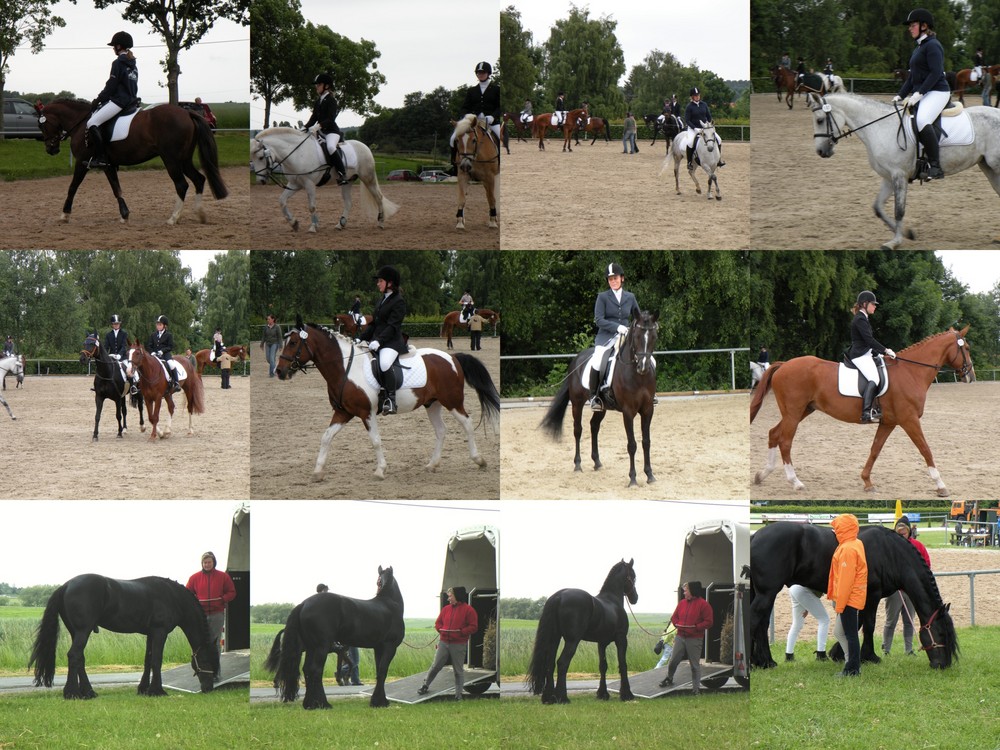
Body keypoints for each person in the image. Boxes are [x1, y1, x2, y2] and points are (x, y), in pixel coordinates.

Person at [894, 9, 949, 181]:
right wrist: (900, 95)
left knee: (922, 120)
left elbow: (935, 73)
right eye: (910, 26)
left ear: (924, 26)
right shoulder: (919, 47)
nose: (910, 28)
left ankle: (935, 166)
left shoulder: (933, 45)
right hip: (926, 92)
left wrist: (919, 94)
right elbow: (912, 78)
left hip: (938, 91)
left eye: (913, 25)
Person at [587, 263, 640, 411]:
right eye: (610, 279)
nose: (613, 281)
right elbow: (599, 320)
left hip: (626, 336)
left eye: (615, 278)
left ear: (622, 278)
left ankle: (649, 392)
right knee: (597, 360)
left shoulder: (630, 297)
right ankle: (594, 397)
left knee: (648, 358)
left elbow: (638, 316)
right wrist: (617, 327)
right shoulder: (602, 297)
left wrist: (635, 328)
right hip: (606, 337)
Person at [86, 31, 139, 169]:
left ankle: (102, 158)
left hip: (120, 101)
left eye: (114, 45)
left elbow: (111, 85)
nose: (113, 48)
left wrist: (98, 99)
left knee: (92, 122)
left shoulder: (118, 63)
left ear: (119, 46)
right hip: (131, 101)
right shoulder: (133, 63)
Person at [360, 265, 407, 415]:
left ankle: (391, 400)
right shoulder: (381, 300)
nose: (377, 283)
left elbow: (393, 326)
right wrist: (360, 339)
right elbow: (375, 324)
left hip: (392, 343)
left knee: (385, 363)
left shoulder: (398, 301)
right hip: (379, 341)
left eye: (380, 281)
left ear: (390, 283)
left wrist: (379, 341)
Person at [416, 586, 478, 700]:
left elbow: (473, 627)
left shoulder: (469, 610)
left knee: (458, 671)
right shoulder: (446, 609)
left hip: (459, 644)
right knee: (435, 666)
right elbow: (438, 623)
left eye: (450, 596)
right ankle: (425, 686)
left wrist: (461, 632)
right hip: (443, 642)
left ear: (457, 596)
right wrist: (441, 629)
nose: (448, 599)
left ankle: (458, 695)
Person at [882, 515, 931, 655]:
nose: (902, 533)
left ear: (909, 531)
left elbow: (926, 565)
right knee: (891, 621)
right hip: (895, 591)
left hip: (911, 591)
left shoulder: (918, 546)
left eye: (904, 531)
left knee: (909, 621)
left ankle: (909, 649)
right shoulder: (891, 547)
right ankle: (886, 649)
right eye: (899, 530)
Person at [827, 514, 868, 677]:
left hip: (849, 599)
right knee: (841, 632)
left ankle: (852, 669)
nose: (834, 531)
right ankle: (851, 664)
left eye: (836, 528)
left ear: (842, 529)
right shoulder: (855, 543)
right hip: (852, 597)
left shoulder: (847, 549)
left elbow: (845, 581)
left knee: (851, 635)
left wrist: (840, 604)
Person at [185, 551, 236, 676]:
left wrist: (222, 599)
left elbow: (232, 592)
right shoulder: (194, 578)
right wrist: (195, 602)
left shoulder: (223, 576)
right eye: (205, 562)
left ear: (214, 563)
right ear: (202, 563)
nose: (207, 564)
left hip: (216, 614)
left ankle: (215, 671)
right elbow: (187, 594)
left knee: (214, 643)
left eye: (209, 562)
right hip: (200, 616)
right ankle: (202, 670)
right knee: (200, 643)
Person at [849, 291, 896, 424]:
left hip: (865, 353)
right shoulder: (860, 319)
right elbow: (869, 340)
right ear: (864, 304)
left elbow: (867, 342)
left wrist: (877, 354)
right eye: (873, 304)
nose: (875, 306)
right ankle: (866, 412)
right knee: (874, 378)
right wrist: (885, 350)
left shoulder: (863, 318)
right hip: (859, 355)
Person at [658, 581, 713, 694]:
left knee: (694, 665)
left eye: (686, 590)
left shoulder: (704, 604)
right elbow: (674, 618)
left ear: (692, 590)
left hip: (695, 638)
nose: (684, 592)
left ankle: (696, 689)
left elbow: (709, 622)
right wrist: (678, 624)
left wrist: (696, 627)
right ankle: (669, 678)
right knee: (673, 661)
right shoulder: (682, 603)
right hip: (680, 637)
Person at [448, 61, 502, 175]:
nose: (480, 74)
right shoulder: (472, 90)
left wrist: (493, 116)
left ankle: (499, 165)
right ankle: (454, 164)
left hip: (491, 122)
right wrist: (466, 116)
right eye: (478, 72)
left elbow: (499, 106)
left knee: (500, 140)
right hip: (474, 122)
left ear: (488, 73)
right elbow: (465, 107)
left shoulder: (497, 89)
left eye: (483, 72)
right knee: (453, 138)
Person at [304, 73, 348, 185]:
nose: (316, 87)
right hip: (320, 132)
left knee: (331, 147)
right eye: (316, 85)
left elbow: (331, 118)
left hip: (331, 132)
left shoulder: (331, 100)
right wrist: (304, 128)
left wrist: (318, 126)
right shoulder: (318, 101)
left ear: (326, 86)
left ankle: (342, 173)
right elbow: (313, 118)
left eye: (319, 84)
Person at [785, 585, 830, 661]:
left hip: (793, 588)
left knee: (797, 624)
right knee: (824, 619)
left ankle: (789, 656)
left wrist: (807, 606)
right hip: (803, 590)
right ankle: (821, 654)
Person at [684, 86, 725, 171]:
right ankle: (689, 162)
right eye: (695, 95)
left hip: (705, 128)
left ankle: (718, 160)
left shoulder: (704, 104)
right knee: (690, 142)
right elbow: (687, 120)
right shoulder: (689, 106)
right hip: (693, 128)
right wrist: (695, 128)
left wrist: (710, 125)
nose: (697, 96)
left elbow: (709, 116)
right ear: (692, 96)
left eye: (698, 95)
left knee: (719, 139)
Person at [147, 314, 181, 393]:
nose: (158, 326)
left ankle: (176, 382)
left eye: (160, 324)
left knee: (171, 365)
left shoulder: (168, 335)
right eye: (157, 324)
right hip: (154, 356)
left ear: (164, 325)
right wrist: (152, 352)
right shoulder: (153, 335)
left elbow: (170, 346)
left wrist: (162, 351)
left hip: (165, 355)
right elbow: (149, 345)